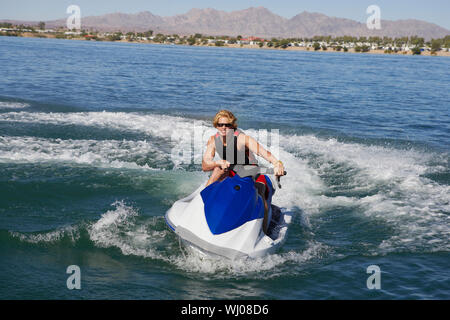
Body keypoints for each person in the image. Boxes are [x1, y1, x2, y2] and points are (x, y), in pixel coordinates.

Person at [202, 109, 285, 234]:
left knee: (261, 193)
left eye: (227, 125)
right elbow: (205, 164)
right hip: (230, 173)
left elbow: (264, 154)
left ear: (233, 125)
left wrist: (277, 164)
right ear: (216, 125)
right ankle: (205, 207)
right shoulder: (213, 141)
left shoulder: (243, 139)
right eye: (220, 125)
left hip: (250, 173)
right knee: (217, 170)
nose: (224, 128)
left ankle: (263, 231)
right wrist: (218, 162)